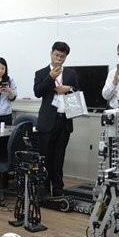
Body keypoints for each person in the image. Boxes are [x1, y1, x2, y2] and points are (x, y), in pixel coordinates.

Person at [34, 41, 79, 197]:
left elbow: (78, 90)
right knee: (45, 158)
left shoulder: (70, 74)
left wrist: (69, 88)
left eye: (62, 56)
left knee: (59, 158)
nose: (59, 59)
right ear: (51, 53)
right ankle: (44, 190)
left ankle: (58, 190)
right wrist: (50, 77)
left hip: (64, 121)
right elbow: (37, 92)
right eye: (56, 55)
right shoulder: (41, 73)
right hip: (47, 122)